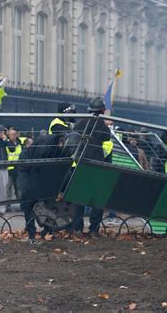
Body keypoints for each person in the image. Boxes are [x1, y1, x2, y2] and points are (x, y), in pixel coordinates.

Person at [72, 97, 111, 235]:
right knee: (98, 199)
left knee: (79, 198)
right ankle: (93, 229)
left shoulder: (79, 123)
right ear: (102, 111)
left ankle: (77, 227)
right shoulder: (102, 126)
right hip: (98, 166)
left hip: (81, 164)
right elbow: (108, 140)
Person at [6, 127, 22, 210]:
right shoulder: (6, 143)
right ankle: (7, 205)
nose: (13, 136)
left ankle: (20, 205)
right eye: (11, 134)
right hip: (8, 168)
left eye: (14, 134)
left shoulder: (19, 143)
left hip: (18, 168)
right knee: (8, 187)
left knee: (19, 187)